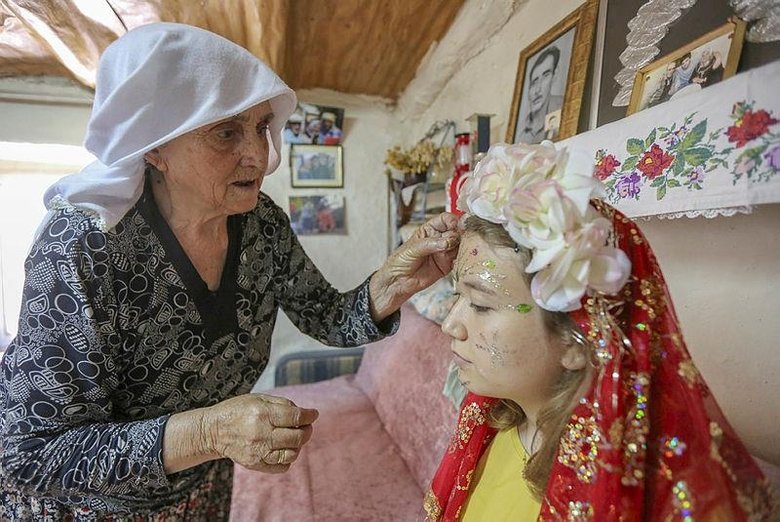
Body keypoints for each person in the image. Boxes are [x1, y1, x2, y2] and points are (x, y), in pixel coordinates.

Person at [0, 23, 459, 520]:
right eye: (226, 132)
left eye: (262, 126)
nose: (259, 156)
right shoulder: (83, 245)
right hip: (95, 510)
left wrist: (397, 279)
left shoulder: (260, 223)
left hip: (208, 489)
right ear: (155, 147)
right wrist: (212, 432)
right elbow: (29, 454)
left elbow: (327, 316)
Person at [424, 142, 777, 520]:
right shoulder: (492, 421)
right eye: (459, 296)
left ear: (578, 339)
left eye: (480, 305)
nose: (450, 324)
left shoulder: (654, 489)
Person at [516, 46, 564, 145]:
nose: (537, 90)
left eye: (546, 76)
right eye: (534, 82)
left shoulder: (564, 107)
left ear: (554, 76)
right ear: (528, 89)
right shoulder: (521, 131)